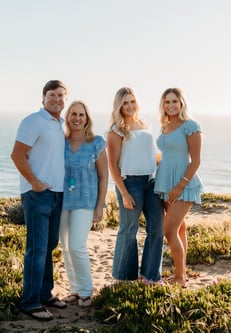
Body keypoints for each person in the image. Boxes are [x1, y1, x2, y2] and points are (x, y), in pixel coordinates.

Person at [10, 80, 69, 321]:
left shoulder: (61, 125)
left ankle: (45, 293)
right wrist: (34, 182)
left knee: (49, 245)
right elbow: (16, 154)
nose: (57, 99)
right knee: (36, 248)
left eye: (61, 95)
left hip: (58, 194)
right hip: (37, 195)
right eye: (52, 95)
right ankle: (30, 302)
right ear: (43, 98)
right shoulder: (33, 121)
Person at [106, 87, 165, 284]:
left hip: (150, 181)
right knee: (129, 229)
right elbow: (113, 165)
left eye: (132, 101)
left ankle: (149, 276)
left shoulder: (144, 124)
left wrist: (174, 158)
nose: (130, 106)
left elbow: (151, 155)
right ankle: (123, 277)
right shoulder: (116, 130)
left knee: (157, 227)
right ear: (119, 106)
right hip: (130, 183)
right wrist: (124, 193)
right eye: (125, 103)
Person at [59, 100, 108, 308]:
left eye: (81, 115)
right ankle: (75, 289)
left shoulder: (96, 142)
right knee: (66, 248)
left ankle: (87, 291)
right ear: (67, 117)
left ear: (87, 118)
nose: (77, 118)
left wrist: (100, 205)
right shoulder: (60, 142)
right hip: (62, 201)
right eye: (73, 114)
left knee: (77, 245)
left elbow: (104, 175)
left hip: (86, 201)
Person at [154, 87, 203, 287]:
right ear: (163, 105)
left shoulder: (190, 126)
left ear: (181, 103)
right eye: (167, 102)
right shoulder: (165, 126)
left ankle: (180, 278)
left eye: (175, 101)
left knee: (169, 230)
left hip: (183, 184)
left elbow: (196, 161)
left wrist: (180, 186)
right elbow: (166, 154)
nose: (171, 105)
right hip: (164, 181)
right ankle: (180, 272)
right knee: (179, 229)